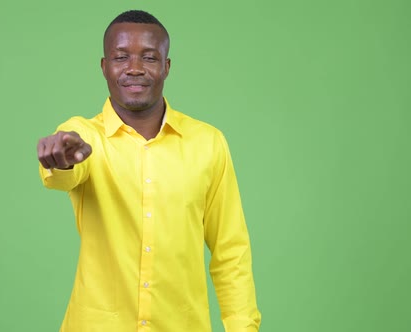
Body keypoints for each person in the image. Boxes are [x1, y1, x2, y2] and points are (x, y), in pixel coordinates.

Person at [37, 10, 261, 332]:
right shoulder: (84, 137)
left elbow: (230, 252)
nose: (135, 68)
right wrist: (61, 159)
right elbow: (65, 171)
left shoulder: (208, 143)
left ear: (167, 67)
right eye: (121, 56)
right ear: (104, 67)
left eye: (150, 58)